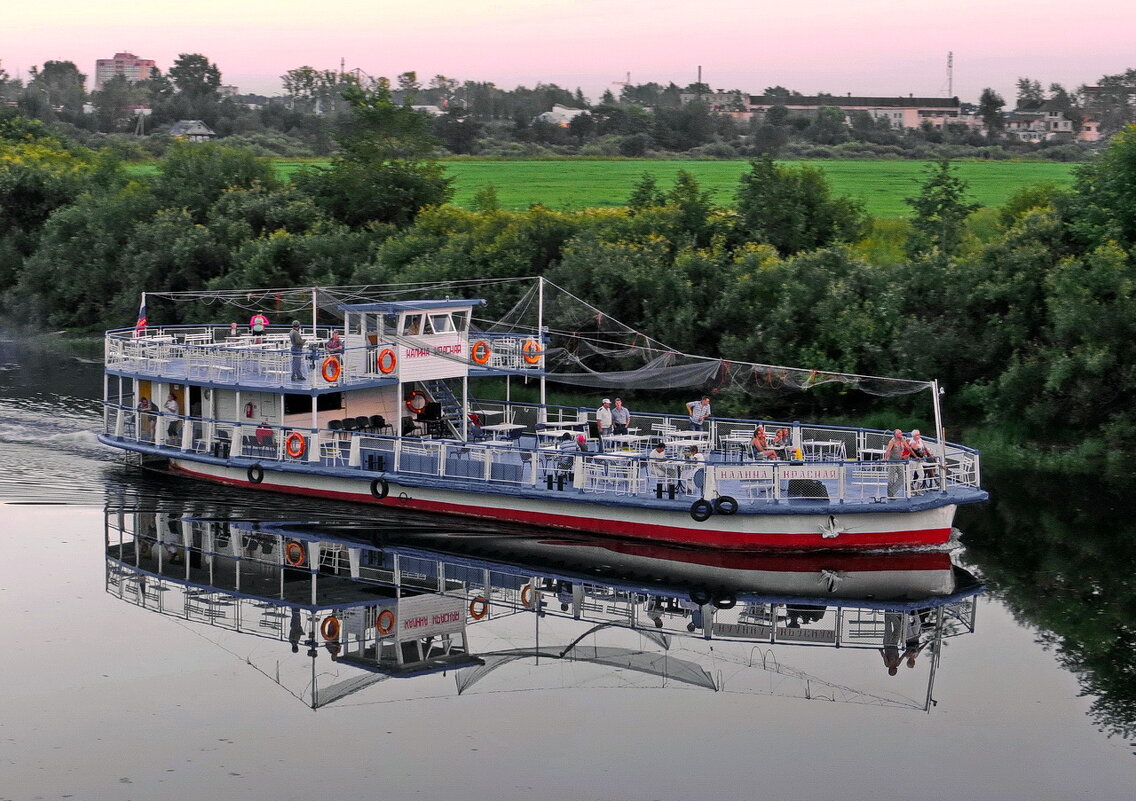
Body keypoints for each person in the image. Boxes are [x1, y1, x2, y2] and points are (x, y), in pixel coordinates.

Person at [882, 429, 912, 498]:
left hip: (900, 461)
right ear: (895, 434)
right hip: (892, 461)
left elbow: (908, 448)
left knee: (902, 478)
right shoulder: (892, 441)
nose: (901, 434)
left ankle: (891, 492)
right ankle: (890, 494)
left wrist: (909, 455)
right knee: (891, 479)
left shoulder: (902, 440)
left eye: (901, 433)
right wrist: (885, 458)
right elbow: (888, 450)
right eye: (899, 433)